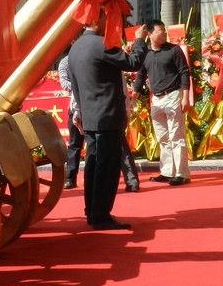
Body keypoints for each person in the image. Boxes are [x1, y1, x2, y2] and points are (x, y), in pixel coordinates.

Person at [68, 12, 147, 230]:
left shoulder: (76, 48)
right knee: (107, 167)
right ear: (97, 20)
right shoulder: (102, 44)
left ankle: (92, 211)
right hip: (108, 115)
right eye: (107, 18)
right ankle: (101, 215)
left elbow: (75, 86)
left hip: (91, 115)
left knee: (93, 165)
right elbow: (133, 63)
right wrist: (140, 39)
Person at [134, 20, 192, 186]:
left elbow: (184, 72)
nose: (164, 33)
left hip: (173, 94)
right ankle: (167, 171)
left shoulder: (174, 50)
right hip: (156, 99)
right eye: (161, 31)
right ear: (150, 34)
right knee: (163, 137)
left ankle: (182, 173)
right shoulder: (146, 53)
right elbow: (140, 76)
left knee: (176, 135)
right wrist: (134, 97)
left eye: (164, 31)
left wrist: (185, 97)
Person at [58, 50, 83, 189]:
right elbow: (64, 82)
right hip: (74, 106)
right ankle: (70, 178)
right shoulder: (65, 62)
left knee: (95, 144)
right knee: (74, 144)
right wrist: (81, 87)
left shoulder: (88, 57)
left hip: (92, 105)